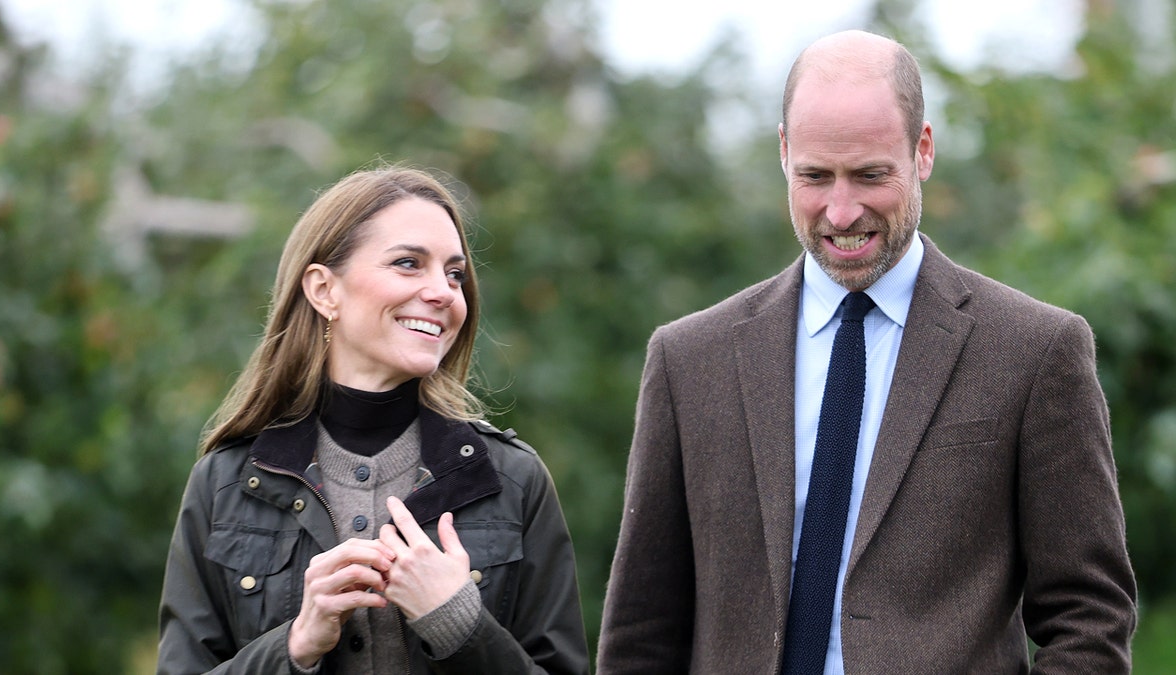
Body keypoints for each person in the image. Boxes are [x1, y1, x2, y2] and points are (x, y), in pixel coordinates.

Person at [596, 30, 1136, 674]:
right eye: (815, 177)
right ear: (783, 152)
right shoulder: (689, 360)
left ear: (923, 151)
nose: (842, 210)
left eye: (871, 175)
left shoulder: (1035, 350)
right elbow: (640, 633)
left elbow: (1090, 620)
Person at [158, 167, 588, 674]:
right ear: (324, 290)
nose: (445, 293)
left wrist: (459, 626)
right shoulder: (226, 484)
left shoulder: (514, 481)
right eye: (409, 264)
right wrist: (295, 646)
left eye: (454, 274)